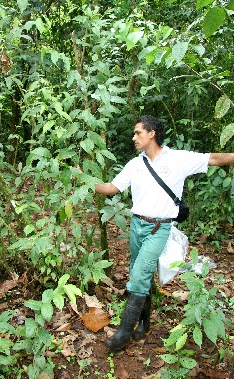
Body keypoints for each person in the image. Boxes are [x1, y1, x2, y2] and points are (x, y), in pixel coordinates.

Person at [94, 115, 234, 352]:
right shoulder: (135, 164)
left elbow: (213, 158)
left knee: (138, 277)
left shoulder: (179, 159)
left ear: (152, 134)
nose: (134, 137)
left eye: (138, 132)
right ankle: (144, 324)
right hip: (137, 226)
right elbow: (111, 189)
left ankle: (122, 335)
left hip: (159, 228)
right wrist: (81, 179)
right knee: (140, 275)